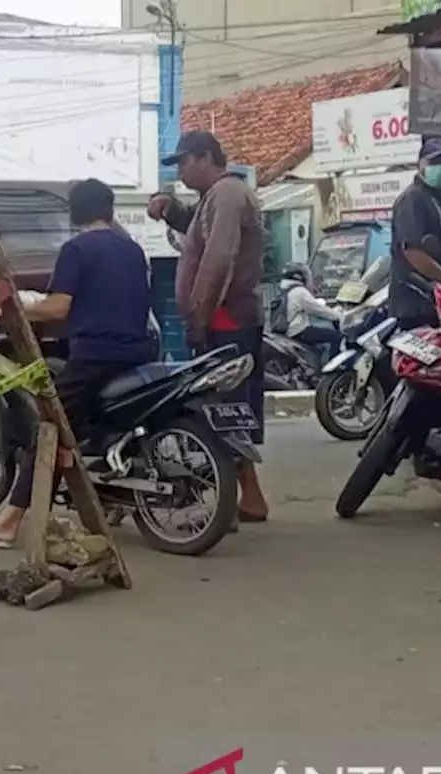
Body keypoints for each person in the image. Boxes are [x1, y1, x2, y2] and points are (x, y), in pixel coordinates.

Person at [0, 178, 155, 548]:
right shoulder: (132, 250)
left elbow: (59, 306)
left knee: (49, 429)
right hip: (140, 353)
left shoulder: (76, 250)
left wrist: (22, 307)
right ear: (109, 210)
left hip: (96, 358)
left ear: (74, 213)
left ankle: (7, 522)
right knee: (78, 429)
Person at [147, 131, 269, 523]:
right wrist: (173, 210)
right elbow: (201, 234)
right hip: (225, 317)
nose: (180, 172)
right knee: (225, 410)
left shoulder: (229, 194)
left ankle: (236, 502)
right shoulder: (214, 199)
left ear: (204, 158)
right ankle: (246, 496)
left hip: (225, 318)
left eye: (183, 162)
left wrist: (199, 316)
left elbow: (219, 259)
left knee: (225, 410)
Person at [389, 137, 441, 330]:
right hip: (417, 302)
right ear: (420, 164)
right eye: (434, 162)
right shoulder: (412, 199)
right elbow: (413, 251)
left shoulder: (440, 198)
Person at [281, 264, 342, 362]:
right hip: (298, 331)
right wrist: (341, 316)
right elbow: (319, 310)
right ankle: (333, 370)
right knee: (337, 336)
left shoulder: (285, 290)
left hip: (286, 331)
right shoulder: (300, 292)